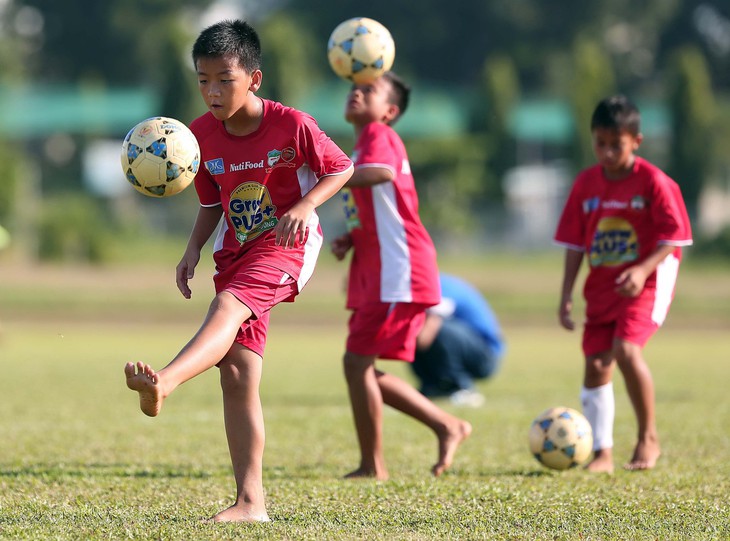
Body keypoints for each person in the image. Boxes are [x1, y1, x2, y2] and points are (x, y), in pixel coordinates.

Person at [123, 19, 353, 523]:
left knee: (225, 308)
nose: (212, 91)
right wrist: (191, 252)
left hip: (288, 246)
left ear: (254, 78)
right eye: (203, 80)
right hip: (236, 252)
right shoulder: (198, 137)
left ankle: (165, 382)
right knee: (237, 373)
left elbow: (342, 167)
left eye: (224, 79)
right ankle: (251, 503)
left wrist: (306, 206)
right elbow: (210, 204)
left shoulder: (293, 124)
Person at [330, 72, 471, 480]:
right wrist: (350, 238)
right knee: (361, 366)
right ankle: (448, 426)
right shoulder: (361, 145)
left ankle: (373, 466)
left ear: (389, 112)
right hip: (380, 270)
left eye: (369, 90)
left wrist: (322, 178)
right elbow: (382, 206)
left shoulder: (378, 135)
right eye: (353, 87)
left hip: (399, 269)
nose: (356, 92)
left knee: (356, 362)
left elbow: (382, 174)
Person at [554, 95, 692, 473]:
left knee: (627, 351)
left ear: (637, 141)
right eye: (601, 143)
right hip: (603, 284)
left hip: (646, 281)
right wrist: (566, 295)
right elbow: (574, 243)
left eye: (617, 144)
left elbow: (674, 237)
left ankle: (648, 437)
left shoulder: (654, 182)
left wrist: (642, 270)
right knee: (597, 365)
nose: (608, 151)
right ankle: (602, 453)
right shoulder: (586, 183)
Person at [412, 273, 506, 407]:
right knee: (414, 330)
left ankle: (460, 386)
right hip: (466, 346)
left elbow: (428, 330)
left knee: (436, 329)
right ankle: (432, 386)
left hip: (485, 356)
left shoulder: (441, 286)